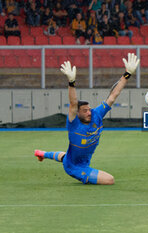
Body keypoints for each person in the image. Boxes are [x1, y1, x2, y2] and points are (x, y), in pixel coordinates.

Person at [34, 53, 140, 185]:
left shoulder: (96, 114)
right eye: (85, 111)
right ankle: (47, 156)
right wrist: (71, 82)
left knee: (66, 156)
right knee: (109, 180)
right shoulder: (74, 124)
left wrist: (127, 74)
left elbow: (113, 96)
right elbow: (73, 103)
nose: (89, 112)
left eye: (89, 109)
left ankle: (42, 153)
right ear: (77, 114)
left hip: (74, 159)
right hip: (76, 168)